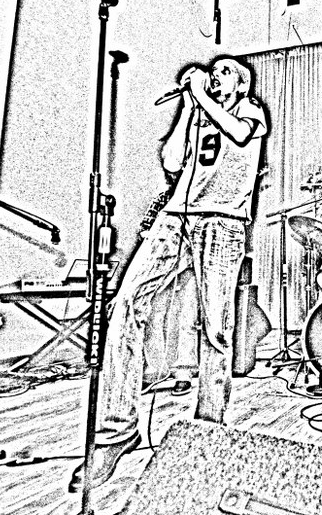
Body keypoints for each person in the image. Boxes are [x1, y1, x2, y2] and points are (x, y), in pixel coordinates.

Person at [70, 55, 269, 490]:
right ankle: (116, 430)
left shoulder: (250, 110)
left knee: (216, 328)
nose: (214, 76)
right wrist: (188, 108)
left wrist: (202, 97)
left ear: (242, 83)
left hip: (222, 221)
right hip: (175, 216)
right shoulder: (200, 112)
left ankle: (208, 428)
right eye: (213, 72)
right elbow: (174, 160)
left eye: (225, 72)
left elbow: (238, 134)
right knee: (126, 303)